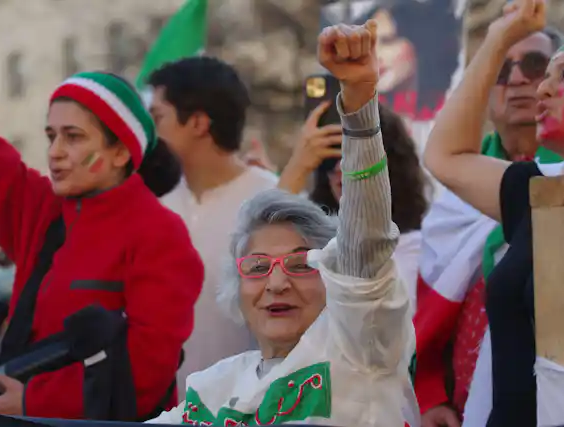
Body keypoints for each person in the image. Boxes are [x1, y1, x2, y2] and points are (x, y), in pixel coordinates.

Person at [149, 19, 419, 427]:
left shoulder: (360, 347)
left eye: (299, 264)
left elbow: (365, 241)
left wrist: (360, 106)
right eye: (257, 267)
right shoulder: (211, 390)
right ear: (237, 289)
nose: (276, 283)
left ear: (334, 275)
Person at [424, 0, 564, 424]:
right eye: (546, 77)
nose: (542, 89)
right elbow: (445, 155)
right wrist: (500, 35)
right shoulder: (541, 191)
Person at [0, 71, 203, 419]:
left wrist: (34, 401)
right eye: (51, 135)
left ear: (120, 151)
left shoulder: (160, 232)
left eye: (72, 137)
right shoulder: (42, 208)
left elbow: (147, 371)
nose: (55, 152)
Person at [415, 25, 564, 427]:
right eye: (500, 69)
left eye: (535, 65)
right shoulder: (451, 203)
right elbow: (422, 315)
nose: (516, 79)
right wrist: (430, 397)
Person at [148, 57, 279, 396]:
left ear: (198, 123)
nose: (151, 132)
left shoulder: (274, 201)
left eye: (158, 117)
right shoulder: (157, 211)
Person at [278, 101, 428, 306]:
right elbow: (265, 252)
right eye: (330, 157)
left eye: (356, 155)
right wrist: (298, 166)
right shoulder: (315, 245)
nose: (341, 167)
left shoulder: (419, 253)